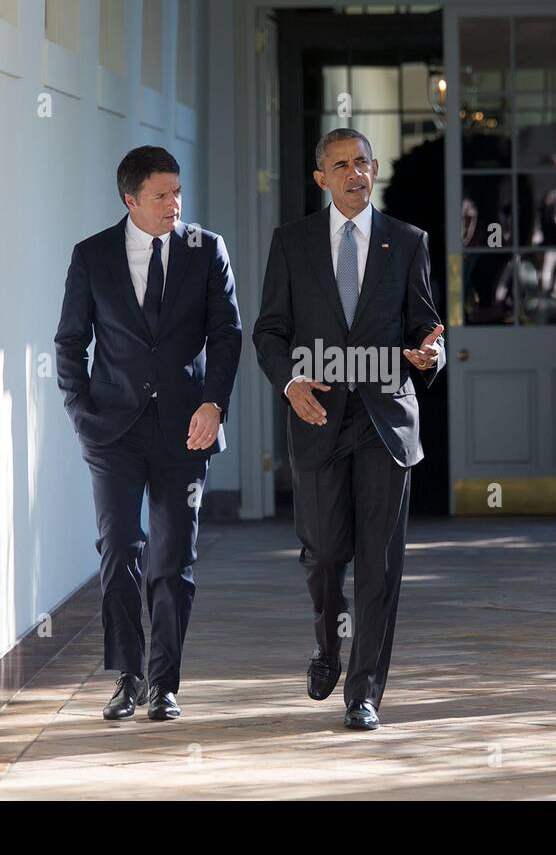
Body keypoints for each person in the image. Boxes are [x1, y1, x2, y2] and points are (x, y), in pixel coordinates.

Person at [253, 128, 445, 730]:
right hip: (318, 415)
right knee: (325, 553)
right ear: (322, 179)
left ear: (375, 167)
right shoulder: (292, 243)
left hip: (386, 419)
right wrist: (291, 383)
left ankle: (364, 692)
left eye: (362, 162)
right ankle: (328, 646)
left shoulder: (408, 242)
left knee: (381, 561)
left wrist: (429, 355)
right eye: (342, 165)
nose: (355, 173)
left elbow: (424, 328)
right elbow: (269, 331)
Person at [54, 146, 241, 721]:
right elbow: (69, 343)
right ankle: (127, 675)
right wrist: (83, 415)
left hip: (186, 430)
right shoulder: (92, 256)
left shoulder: (205, 250)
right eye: (161, 195)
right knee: (119, 549)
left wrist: (213, 404)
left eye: (178, 192)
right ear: (129, 199)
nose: (174, 204)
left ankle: (164, 682)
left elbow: (227, 335)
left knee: (172, 557)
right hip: (112, 434)